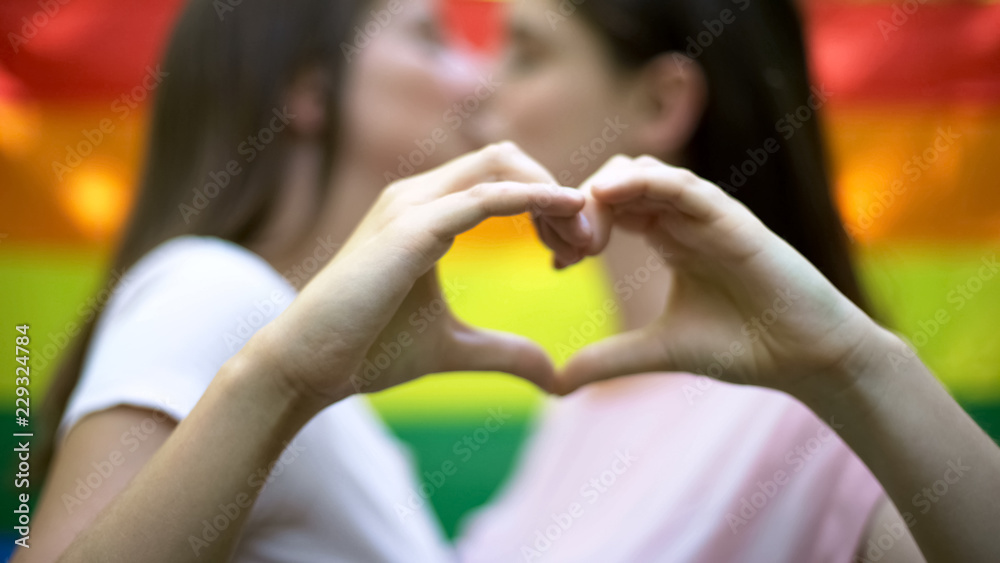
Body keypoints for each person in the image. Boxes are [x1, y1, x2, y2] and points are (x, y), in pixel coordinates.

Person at [17, 0, 590, 560]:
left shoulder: (274, 327)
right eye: (429, 38)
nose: (482, 80)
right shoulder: (211, 288)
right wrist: (284, 383)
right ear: (309, 88)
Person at [453, 1, 1000, 562]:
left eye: (527, 55)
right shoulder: (577, 406)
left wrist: (855, 371)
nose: (475, 87)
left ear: (660, 102)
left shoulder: (814, 409)